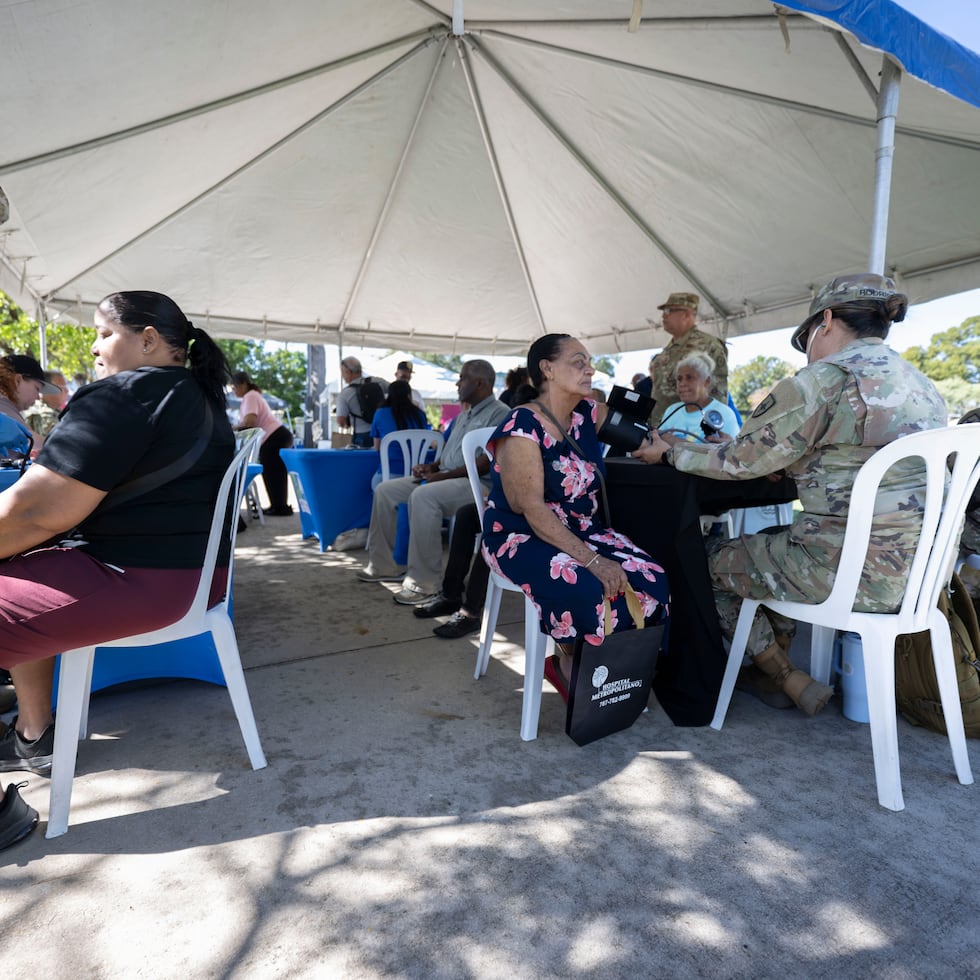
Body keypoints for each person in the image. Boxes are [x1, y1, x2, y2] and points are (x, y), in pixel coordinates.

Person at [635, 273, 947, 715]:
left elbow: (738, 461)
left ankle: (780, 672)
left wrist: (670, 454)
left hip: (844, 573)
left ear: (825, 321)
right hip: (920, 576)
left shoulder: (823, 381)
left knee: (700, 558)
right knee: (778, 538)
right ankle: (776, 668)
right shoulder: (921, 385)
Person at [0, 289, 235, 778]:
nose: (93, 347)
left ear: (148, 340)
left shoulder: (128, 395)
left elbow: (37, 515)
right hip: (196, 583)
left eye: (104, 334)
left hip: (138, 584)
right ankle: (33, 732)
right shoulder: (199, 398)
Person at [481, 334, 670, 698]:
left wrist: (695, 449)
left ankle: (611, 674)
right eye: (578, 362)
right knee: (586, 586)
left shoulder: (586, 412)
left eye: (589, 362)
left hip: (581, 530)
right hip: (520, 535)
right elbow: (532, 510)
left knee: (653, 578)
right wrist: (594, 561)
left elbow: (644, 437)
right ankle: (568, 663)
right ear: (547, 369)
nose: (590, 369)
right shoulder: (522, 427)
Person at [357, 360, 509, 605]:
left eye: (462, 378)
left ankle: (425, 583)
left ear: (480, 383)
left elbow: (484, 462)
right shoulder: (465, 413)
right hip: (450, 477)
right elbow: (450, 452)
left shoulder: (501, 413)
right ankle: (384, 565)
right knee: (385, 491)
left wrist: (442, 475)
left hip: (478, 485)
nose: (458, 383)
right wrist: (433, 467)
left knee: (424, 497)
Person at [647, 292, 728, 427]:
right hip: (662, 427)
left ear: (686, 314)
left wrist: (709, 430)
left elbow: (718, 394)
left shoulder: (708, 345)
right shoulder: (669, 349)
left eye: (668, 311)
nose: (663, 316)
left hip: (690, 430)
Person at [231, 370, 294, 516]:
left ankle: (280, 507)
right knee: (274, 472)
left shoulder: (250, 396)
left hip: (274, 435)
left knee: (273, 472)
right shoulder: (252, 396)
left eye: (235, 386)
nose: (234, 390)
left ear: (244, 384)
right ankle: (278, 505)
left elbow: (250, 422)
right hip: (276, 435)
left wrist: (232, 428)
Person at [657, 352, 739, 443]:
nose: (682, 383)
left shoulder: (723, 414)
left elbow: (732, 452)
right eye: (679, 379)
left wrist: (673, 441)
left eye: (689, 378)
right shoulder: (671, 410)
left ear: (707, 381)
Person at [369, 379, 431, 490]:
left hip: (389, 475)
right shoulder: (420, 415)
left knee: (376, 484)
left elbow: (377, 447)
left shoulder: (380, 413)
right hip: (419, 476)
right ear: (409, 395)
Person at [0, 355, 62, 451]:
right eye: (37, 389)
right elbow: (34, 443)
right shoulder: (2, 403)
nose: (38, 397)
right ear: (17, 380)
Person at [336, 357, 387, 447]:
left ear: (348, 372)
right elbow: (397, 391)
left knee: (363, 460)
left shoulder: (345, 394)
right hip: (383, 431)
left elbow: (341, 422)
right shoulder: (379, 382)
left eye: (342, 372)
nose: (342, 376)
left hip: (362, 436)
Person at [23, 369, 68, 439]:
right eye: (62, 387)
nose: (67, 391)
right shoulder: (43, 413)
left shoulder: (55, 411)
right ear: (47, 388)